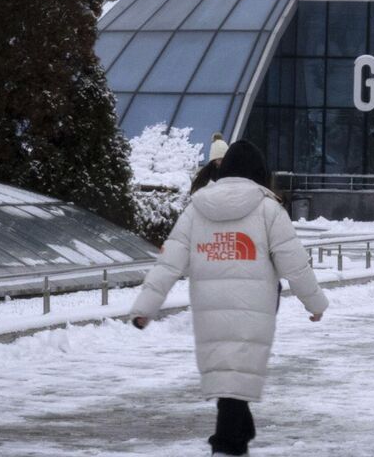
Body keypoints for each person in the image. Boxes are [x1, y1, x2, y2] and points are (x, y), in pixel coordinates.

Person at [129, 140, 326, 456]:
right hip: (255, 310)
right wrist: (315, 304)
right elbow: (295, 262)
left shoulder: (196, 208)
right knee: (237, 377)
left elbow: (169, 262)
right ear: (259, 173)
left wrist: (144, 308)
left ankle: (239, 437)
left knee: (229, 375)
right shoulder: (268, 208)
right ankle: (226, 446)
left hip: (209, 311)